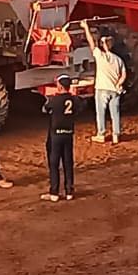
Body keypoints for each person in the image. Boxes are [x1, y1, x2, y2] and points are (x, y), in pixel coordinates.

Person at [82, 20, 126, 144]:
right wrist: (118, 84)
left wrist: (85, 27)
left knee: (100, 112)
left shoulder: (100, 56)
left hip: (102, 89)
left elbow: (91, 43)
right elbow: (123, 75)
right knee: (115, 113)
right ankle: (116, 134)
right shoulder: (118, 60)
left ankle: (101, 134)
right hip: (115, 90)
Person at [41, 74, 81, 202]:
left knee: (54, 163)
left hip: (56, 134)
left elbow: (45, 109)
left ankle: (54, 192)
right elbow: (80, 108)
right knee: (68, 162)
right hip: (68, 133)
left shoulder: (54, 100)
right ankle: (69, 191)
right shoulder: (75, 100)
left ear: (60, 86)